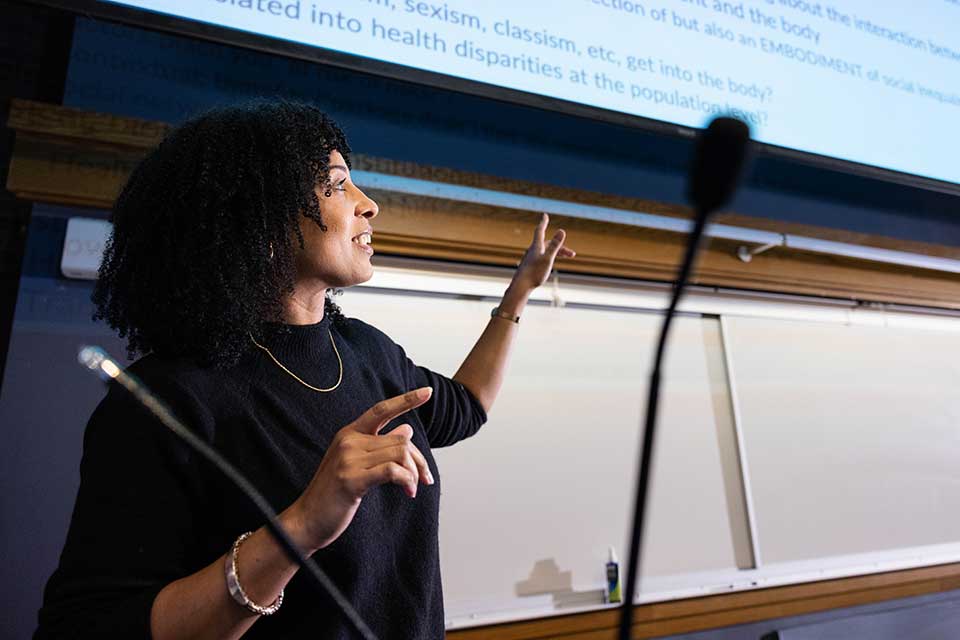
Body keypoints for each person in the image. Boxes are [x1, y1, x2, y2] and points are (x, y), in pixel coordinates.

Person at [35, 100, 575, 639]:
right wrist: (302, 525)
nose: (369, 205)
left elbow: (468, 405)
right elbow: (91, 626)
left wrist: (518, 293)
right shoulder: (167, 400)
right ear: (261, 220)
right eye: (337, 186)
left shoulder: (367, 351)